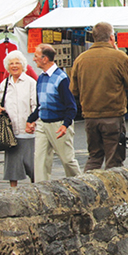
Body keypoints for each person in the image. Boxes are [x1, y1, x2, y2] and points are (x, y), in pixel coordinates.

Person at [70, 22, 128, 170]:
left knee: (94, 157)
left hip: (90, 115)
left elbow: (74, 90)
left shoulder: (81, 59)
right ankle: (113, 192)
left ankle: (88, 189)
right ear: (112, 38)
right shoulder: (118, 57)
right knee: (114, 160)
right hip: (113, 115)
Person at [25, 44, 81, 181]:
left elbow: (71, 106)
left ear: (45, 59)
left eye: (36, 56)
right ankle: (41, 190)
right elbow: (41, 104)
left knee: (67, 160)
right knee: (40, 160)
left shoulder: (61, 78)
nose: (34, 59)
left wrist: (65, 124)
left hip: (59, 123)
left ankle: (80, 183)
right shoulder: (42, 78)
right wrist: (31, 119)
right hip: (43, 123)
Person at [0, 50, 37, 190]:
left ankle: (36, 187)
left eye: (17, 63)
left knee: (30, 162)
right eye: (11, 63)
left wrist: (33, 121)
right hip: (10, 130)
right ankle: (13, 190)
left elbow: (35, 104)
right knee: (12, 163)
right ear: (7, 66)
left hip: (27, 127)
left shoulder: (30, 82)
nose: (14, 66)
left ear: (23, 65)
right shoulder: (5, 83)